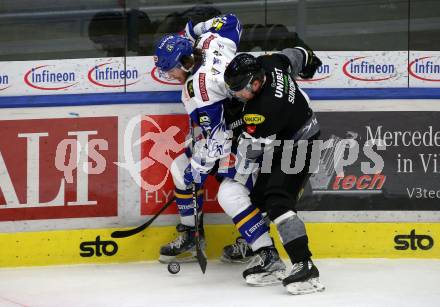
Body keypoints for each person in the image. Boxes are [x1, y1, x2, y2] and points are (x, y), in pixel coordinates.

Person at [154, 14, 286, 286]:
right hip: (245, 121)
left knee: (231, 193)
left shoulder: (197, 91)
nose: (170, 76)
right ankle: (191, 235)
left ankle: (264, 251)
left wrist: (199, 172)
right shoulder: (209, 41)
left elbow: (218, 142)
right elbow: (233, 21)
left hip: (253, 134)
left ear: (183, 63)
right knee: (180, 168)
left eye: (170, 70)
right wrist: (194, 30)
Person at [223, 43, 325, 294]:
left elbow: (251, 152)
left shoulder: (262, 111)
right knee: (258, 198)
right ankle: (269, 259)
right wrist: (310, 59)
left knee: (278, 202)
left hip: (302, 148)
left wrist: (225, 147)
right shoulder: (271, 63)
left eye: (239, 90)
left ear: (256, 83)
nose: (236, 94)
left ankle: (305, 265)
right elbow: (296, 54)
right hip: (288, 141)